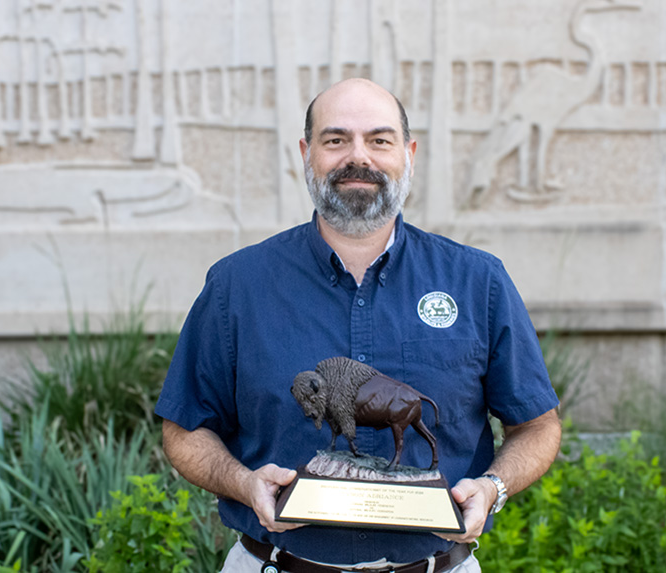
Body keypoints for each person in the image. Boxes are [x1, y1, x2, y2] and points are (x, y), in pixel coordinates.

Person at [155, 78, 561, 573]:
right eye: (335, 139)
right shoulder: (236, 286)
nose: (358, 156)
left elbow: (537, 427)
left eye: (379, 139)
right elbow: (184, 429)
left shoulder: (479, 281)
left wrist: (492, 488)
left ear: (408, 153)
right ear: (307, 154)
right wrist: (244, 483)